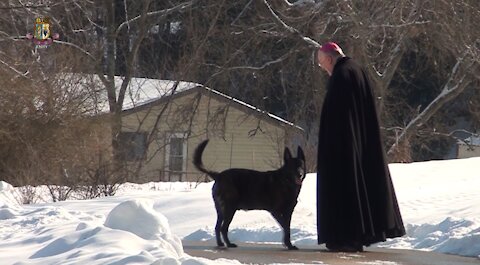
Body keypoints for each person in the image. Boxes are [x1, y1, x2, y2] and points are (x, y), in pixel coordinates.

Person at [316, 42, 406, 252]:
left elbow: (339, 118)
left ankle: (347, 236)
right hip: (360, 143)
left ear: (329, 58)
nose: (323, 69)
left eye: (322, 64)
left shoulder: (341, 76)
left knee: (347, 188)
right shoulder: (356, 70)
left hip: (345, 147)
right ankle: (358, 234)